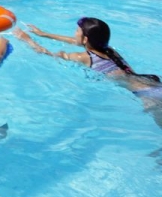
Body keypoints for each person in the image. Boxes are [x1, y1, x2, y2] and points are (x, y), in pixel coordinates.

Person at [14, 18, 161, 127]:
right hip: (154, 84)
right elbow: (74, 41)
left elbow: (48, 54)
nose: (74, 34)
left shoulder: (83, 57)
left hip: (149, 96)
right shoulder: (110, 51)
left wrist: (27, 40)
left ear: (85, 39)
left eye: (77, 31)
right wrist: (43, 34)